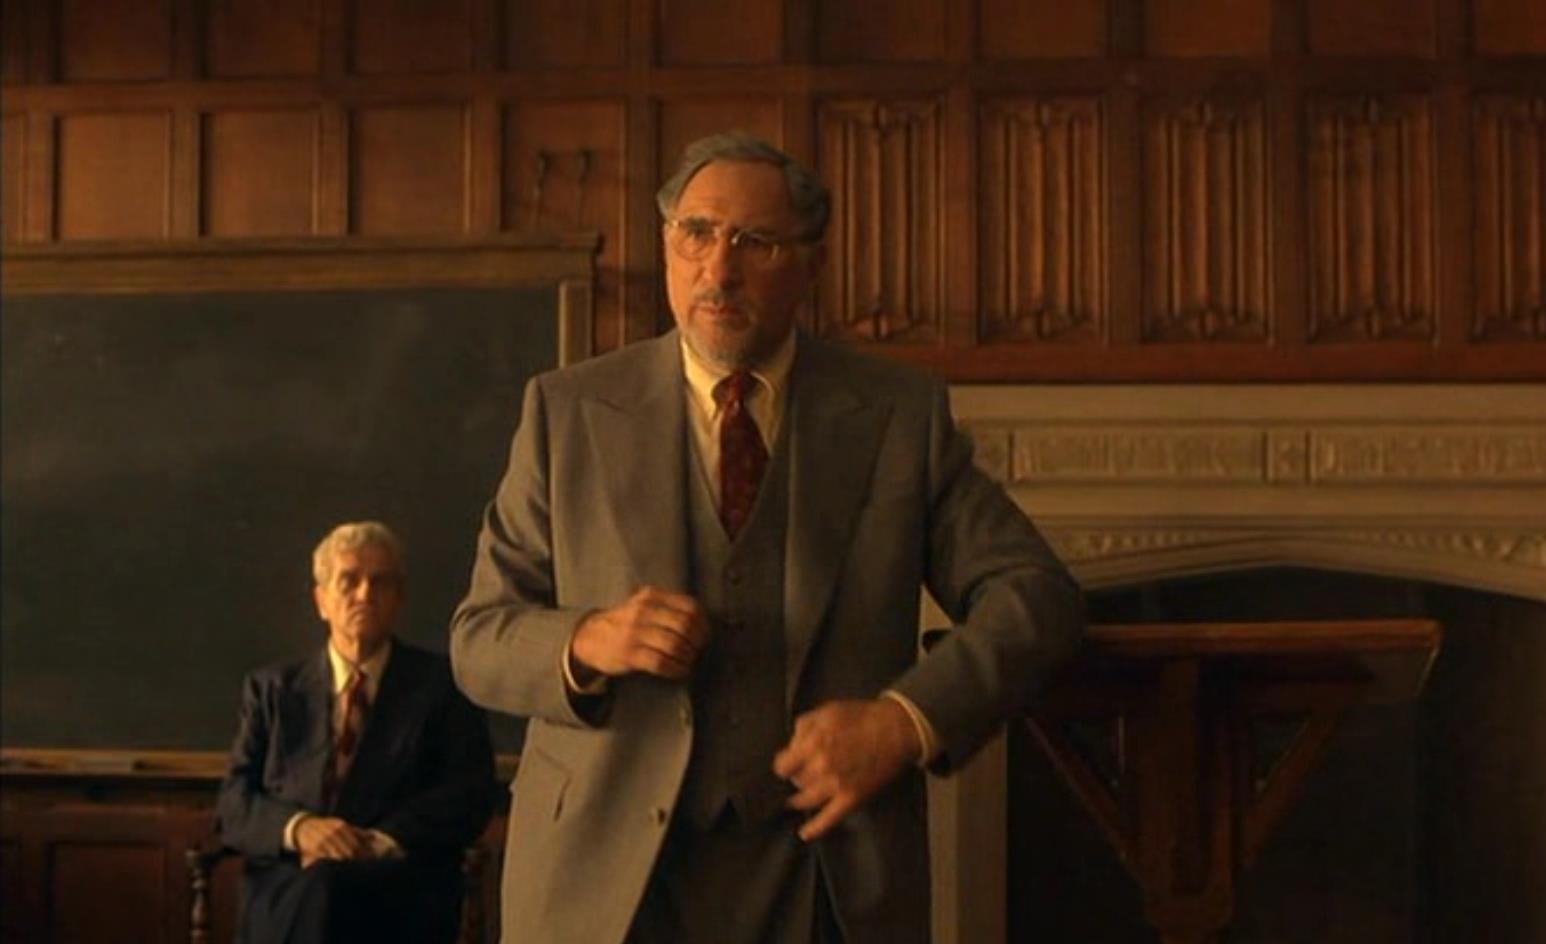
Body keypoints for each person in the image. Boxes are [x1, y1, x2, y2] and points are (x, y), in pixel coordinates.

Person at [450, 132, 1084, 944]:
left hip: (826, 879)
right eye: (698, 233)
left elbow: (1035, 596)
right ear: (667, 245)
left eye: (756, 242)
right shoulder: (566, 411)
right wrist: (585, 641)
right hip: (605, 886)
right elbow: (479, 638)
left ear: (812, 265)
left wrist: (903, 720)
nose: (719, 269)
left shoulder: (896, 416)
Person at [218, 521, 497, 944]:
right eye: (349, 580)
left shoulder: (443, 687)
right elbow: (234, 804)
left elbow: (469, 794)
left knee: (332, 886)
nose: (365, 594)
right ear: (322, 600)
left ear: (399, 598)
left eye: (380, 582)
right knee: (319, 888)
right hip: (291, 884)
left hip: (398, 883)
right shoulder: (272, 690)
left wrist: (376, 842)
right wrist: (300, 828)